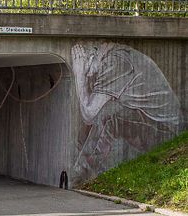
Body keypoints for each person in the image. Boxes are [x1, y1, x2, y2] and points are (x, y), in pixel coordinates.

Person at [71, 41, 180, 180]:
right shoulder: (115, 56)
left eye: (85, 67)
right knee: (91, 126)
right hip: (150, 121)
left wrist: (79, 76)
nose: (88, 75)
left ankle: (81, 174)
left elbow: (89, 114)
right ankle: (93, 171)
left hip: (166, 132)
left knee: (108, 118)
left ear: (92, 55)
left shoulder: (116, 62)